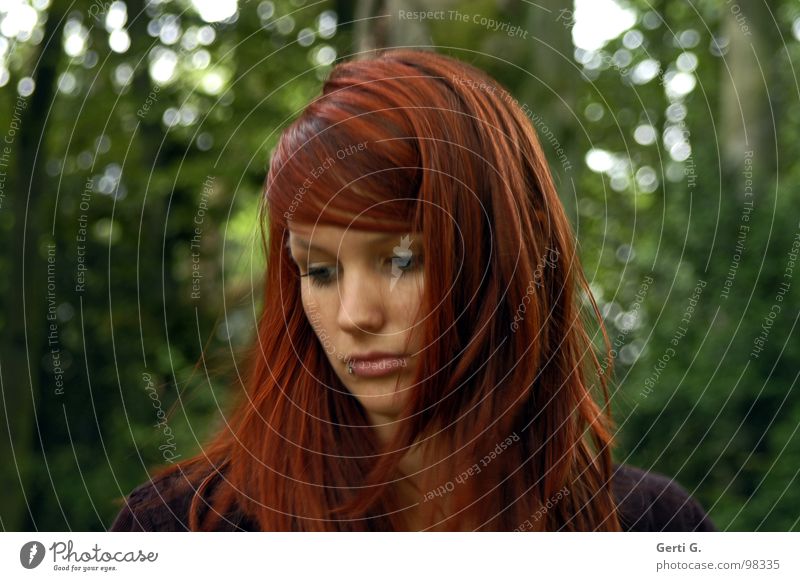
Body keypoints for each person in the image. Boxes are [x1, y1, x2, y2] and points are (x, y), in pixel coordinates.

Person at [110, 48, 715, 532]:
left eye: (401, 260)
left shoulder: (650, 530)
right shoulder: (183, 530)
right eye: (319, 271)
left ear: (502, 256)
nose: (355, 316)